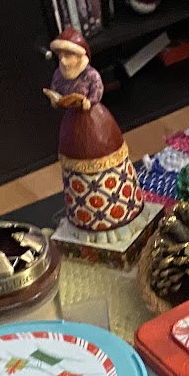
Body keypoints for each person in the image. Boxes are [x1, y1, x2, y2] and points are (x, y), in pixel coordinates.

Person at [43, 30, 143, 236]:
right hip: (72, 124)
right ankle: (84, 217)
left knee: (107, 164)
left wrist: (88, 102)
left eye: (68, 55)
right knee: (77, 170)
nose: (63, 60)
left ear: (81, 55)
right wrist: (56, 100)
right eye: (60, 56)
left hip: (95, 121)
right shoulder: (59, 75)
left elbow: (97, 90)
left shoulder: (90, 75)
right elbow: (56, 89)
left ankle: (121, 210)